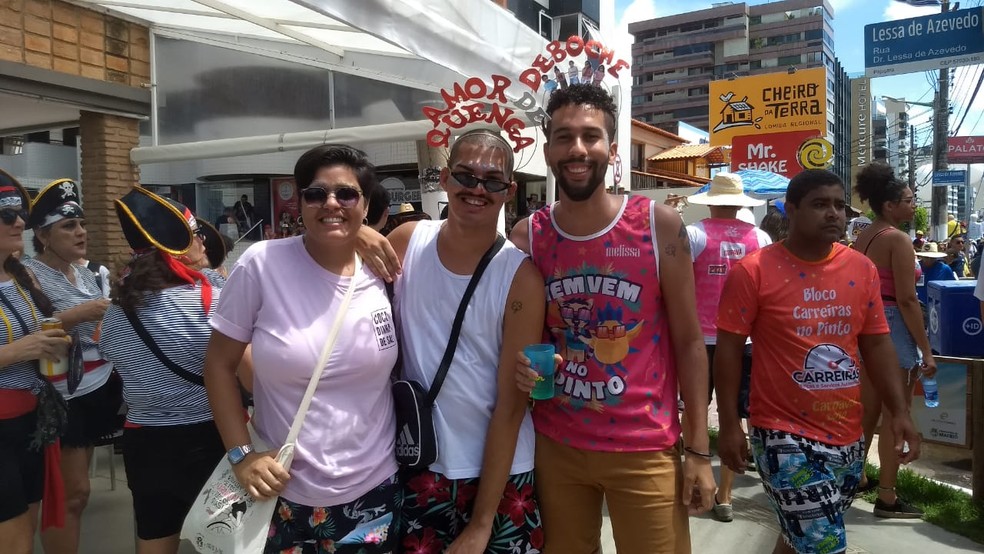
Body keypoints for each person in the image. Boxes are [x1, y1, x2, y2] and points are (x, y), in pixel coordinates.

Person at [509, 84, 715, 553]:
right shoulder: (529, 237)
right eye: (564, 137)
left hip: (645, 448)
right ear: (548, 149)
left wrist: (699, 451)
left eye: (591, 136)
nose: (577, 149)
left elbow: (689, 341)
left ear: (612, 148)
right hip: (556, 447)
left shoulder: (658, 226)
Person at [204, 144, 400, 552]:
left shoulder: (385, 271)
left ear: (366, 204)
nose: (331, 203)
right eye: (316, 193)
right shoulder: (261, 264)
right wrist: (242, 456)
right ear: (301, 202)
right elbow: (219, 365)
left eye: (346, 194)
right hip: (282, 493)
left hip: (375, 489)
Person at [715, 169, 921, 554]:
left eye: (839, 205)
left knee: (799, 539)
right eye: (820, 204)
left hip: (847, 434)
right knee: (823, 544)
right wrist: (729, 424)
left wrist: (899, 411)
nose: (834, 214)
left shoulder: (861, 269)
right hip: (781, 434)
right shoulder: (753, 271)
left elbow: (877, 343)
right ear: (791, 210)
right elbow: (728, 350)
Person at [367, 129, 545, 552]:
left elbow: (511, 404)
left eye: (492, 181)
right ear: (445, 178)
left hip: (500, 474)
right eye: (465, 175)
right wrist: (358, 234)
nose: (477, 189)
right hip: (418, 461)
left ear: (509, 191)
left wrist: (482, 524)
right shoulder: (406, 242)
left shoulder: (521, 277)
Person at [99, 187, 225, 554]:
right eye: (196, 234)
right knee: (225, 540)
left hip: (145, 441)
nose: (203, 241)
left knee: (155, 537)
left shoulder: (116, 311)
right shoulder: (214, 302)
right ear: (178, 247)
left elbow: (108, 351)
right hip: (210, 435)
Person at [23, 178, 120, 554]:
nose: (81, 232)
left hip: (96, 387)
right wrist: (81, 313)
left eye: (81, 224)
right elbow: (25, 329)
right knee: (71, 493)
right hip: (60, 394)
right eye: (68, 226)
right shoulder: (28, 276)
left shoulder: (85, 273)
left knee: (79, 492)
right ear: (43, 235)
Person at [685, 173, 771, 523]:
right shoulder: (760, 238)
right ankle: (725, 495)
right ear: (740, 203)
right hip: (743, 339)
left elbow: (679, 284)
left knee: (694, 411)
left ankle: (694, 479)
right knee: (733, 415)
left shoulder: (694, 235)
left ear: (710, 202)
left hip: (700, 339)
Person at [852, 163, 934, 519]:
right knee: (895, 414)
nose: (913, 205)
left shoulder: (864, 236)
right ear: (889, 205)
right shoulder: (898, 239)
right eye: (909, 200)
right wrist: (926, 350)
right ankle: (887, 495)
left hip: (867, 325)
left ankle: (854, 478)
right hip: (893, 327)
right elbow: (907, 299)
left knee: (868, 412)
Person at [0, 169, 70, 554]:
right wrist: (18, 351)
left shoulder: (22, 275)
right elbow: (22, 347)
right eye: (7, 215)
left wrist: (57, 344)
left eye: (20, 214)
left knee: (24, 535)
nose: (20, 223)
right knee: (15, 541)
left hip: (31, 422)